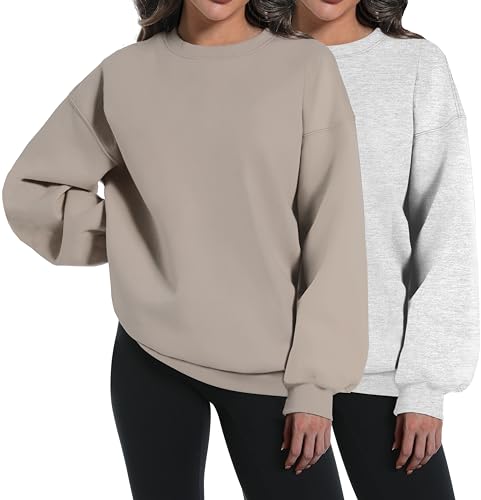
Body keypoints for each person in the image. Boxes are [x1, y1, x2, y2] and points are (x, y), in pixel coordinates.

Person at [2, 0, 369, 498]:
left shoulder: (305, 66)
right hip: (151, 357)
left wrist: (315, 386)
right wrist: (135, 236)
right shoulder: (125, 74)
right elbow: (31, 189)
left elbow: (334, 232)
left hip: (274, 370)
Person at [291, 1, 479, 498]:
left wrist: (425, 387)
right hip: (268, 368)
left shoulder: (414, 66)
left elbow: (446, 231)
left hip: (376, 370)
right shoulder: (251, 61)